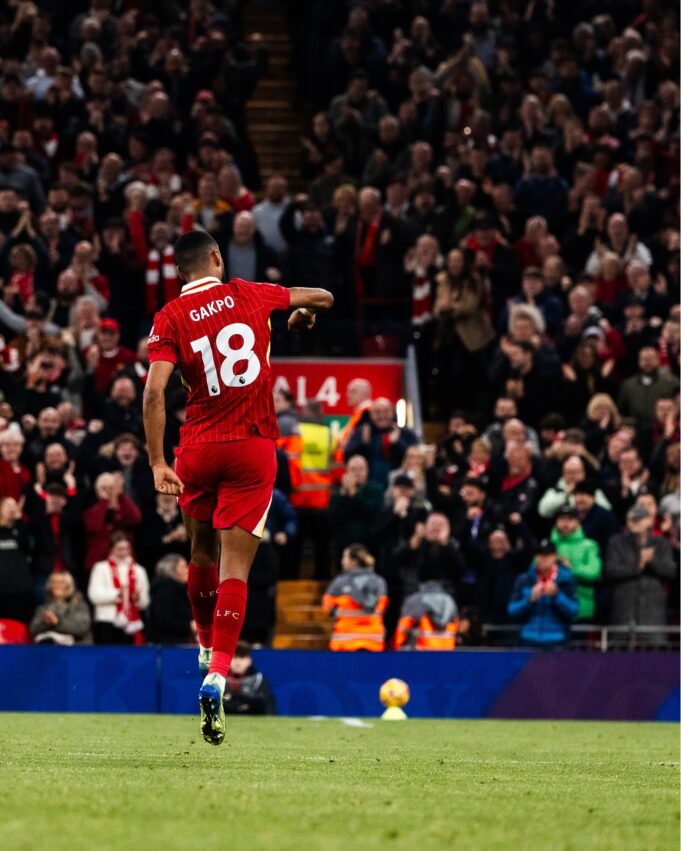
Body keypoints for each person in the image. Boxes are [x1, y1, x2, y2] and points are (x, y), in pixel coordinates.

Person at [143, 229, 332, 745]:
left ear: (180, 272)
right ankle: (218, 674)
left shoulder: (169, 318)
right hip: (251, 447)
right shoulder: (248, 293)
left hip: (197, 448)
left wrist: (158, 461)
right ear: (218, 258)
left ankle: (204, 645)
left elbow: (155, 392)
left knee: (199, 555)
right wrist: (302, 315)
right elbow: (322, 296)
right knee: (235, 569)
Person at [604, 504, 676, 647]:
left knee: (655, 655)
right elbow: (610, 570)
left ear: (649, 521)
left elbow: (670, 571)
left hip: (652, 610)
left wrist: (651, 561)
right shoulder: (616, 542)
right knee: (620, 652)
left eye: (639, 518)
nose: (634, 522)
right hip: (624, 609)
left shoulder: (661, 543)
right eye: (631, 519)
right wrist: (638, 566)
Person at [507, 539, 580, 647]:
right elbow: (511, 610)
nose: (544, 559)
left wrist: (557, 596)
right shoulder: (524, 579)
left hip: (557, 640)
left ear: (555, 557)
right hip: (528, 639)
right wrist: (529, 600)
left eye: (548, 555)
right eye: (540, 555)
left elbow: (574, 610)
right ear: (535, 557)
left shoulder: (566, 579)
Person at [322, 544, 388, 651]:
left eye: (345, 557)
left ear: (353, 562)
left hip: (345, 642)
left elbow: (327, 604)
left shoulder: (340, 582)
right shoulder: (379, 581)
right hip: (373, 641)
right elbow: (382, 607)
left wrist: (336, 614)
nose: (342, 561)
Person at [87, 533, 150, 645]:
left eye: (127, 548)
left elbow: (145, 601)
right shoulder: (101, 568)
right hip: (107, 621)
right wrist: (118, 594)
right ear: (111, 549)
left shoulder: (139, 571)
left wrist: (138, 598)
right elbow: (94, 595)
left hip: (133, 622)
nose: (124, 553)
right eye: (120, 549)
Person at [550, 506, 602, 622]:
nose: (565, 523)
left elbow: (594, 572)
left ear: (577, 522)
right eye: (562, 519)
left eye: (570, 519)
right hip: (551, 609)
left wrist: (571, 568)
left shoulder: (589, 545)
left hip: (582, 606)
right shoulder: (549, 546)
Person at [29, 571, 92, 645]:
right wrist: (45, 623)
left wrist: (57, 622)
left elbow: (81, 628)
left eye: (61, 582)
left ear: (69, 585)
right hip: (49, 648)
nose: (57, 585)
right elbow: (33, 630)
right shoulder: (43, 607)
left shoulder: (79, 605)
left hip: (75, 649)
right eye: (54, 582)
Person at [394, 580, 459, 650]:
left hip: (423, 654)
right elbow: (457, 625)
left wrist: (399, 649)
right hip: (447, 652)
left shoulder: (415, 600)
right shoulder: (450, 601)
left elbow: (403, 628)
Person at [146, 554, 195, 645]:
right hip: (166, 648)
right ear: (172, 570)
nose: (187, 570)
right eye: (183, 567)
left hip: (174, 644)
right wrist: (190, 626)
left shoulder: (177, 590)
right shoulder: (166, 591)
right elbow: (163, 622)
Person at [222, 641, 276, 715]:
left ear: (249, 661)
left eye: (242, 657)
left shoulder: (258, 680)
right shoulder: (221, 680)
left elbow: (268, 707)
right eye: (234, 657)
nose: (238, 662)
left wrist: (236, 697)